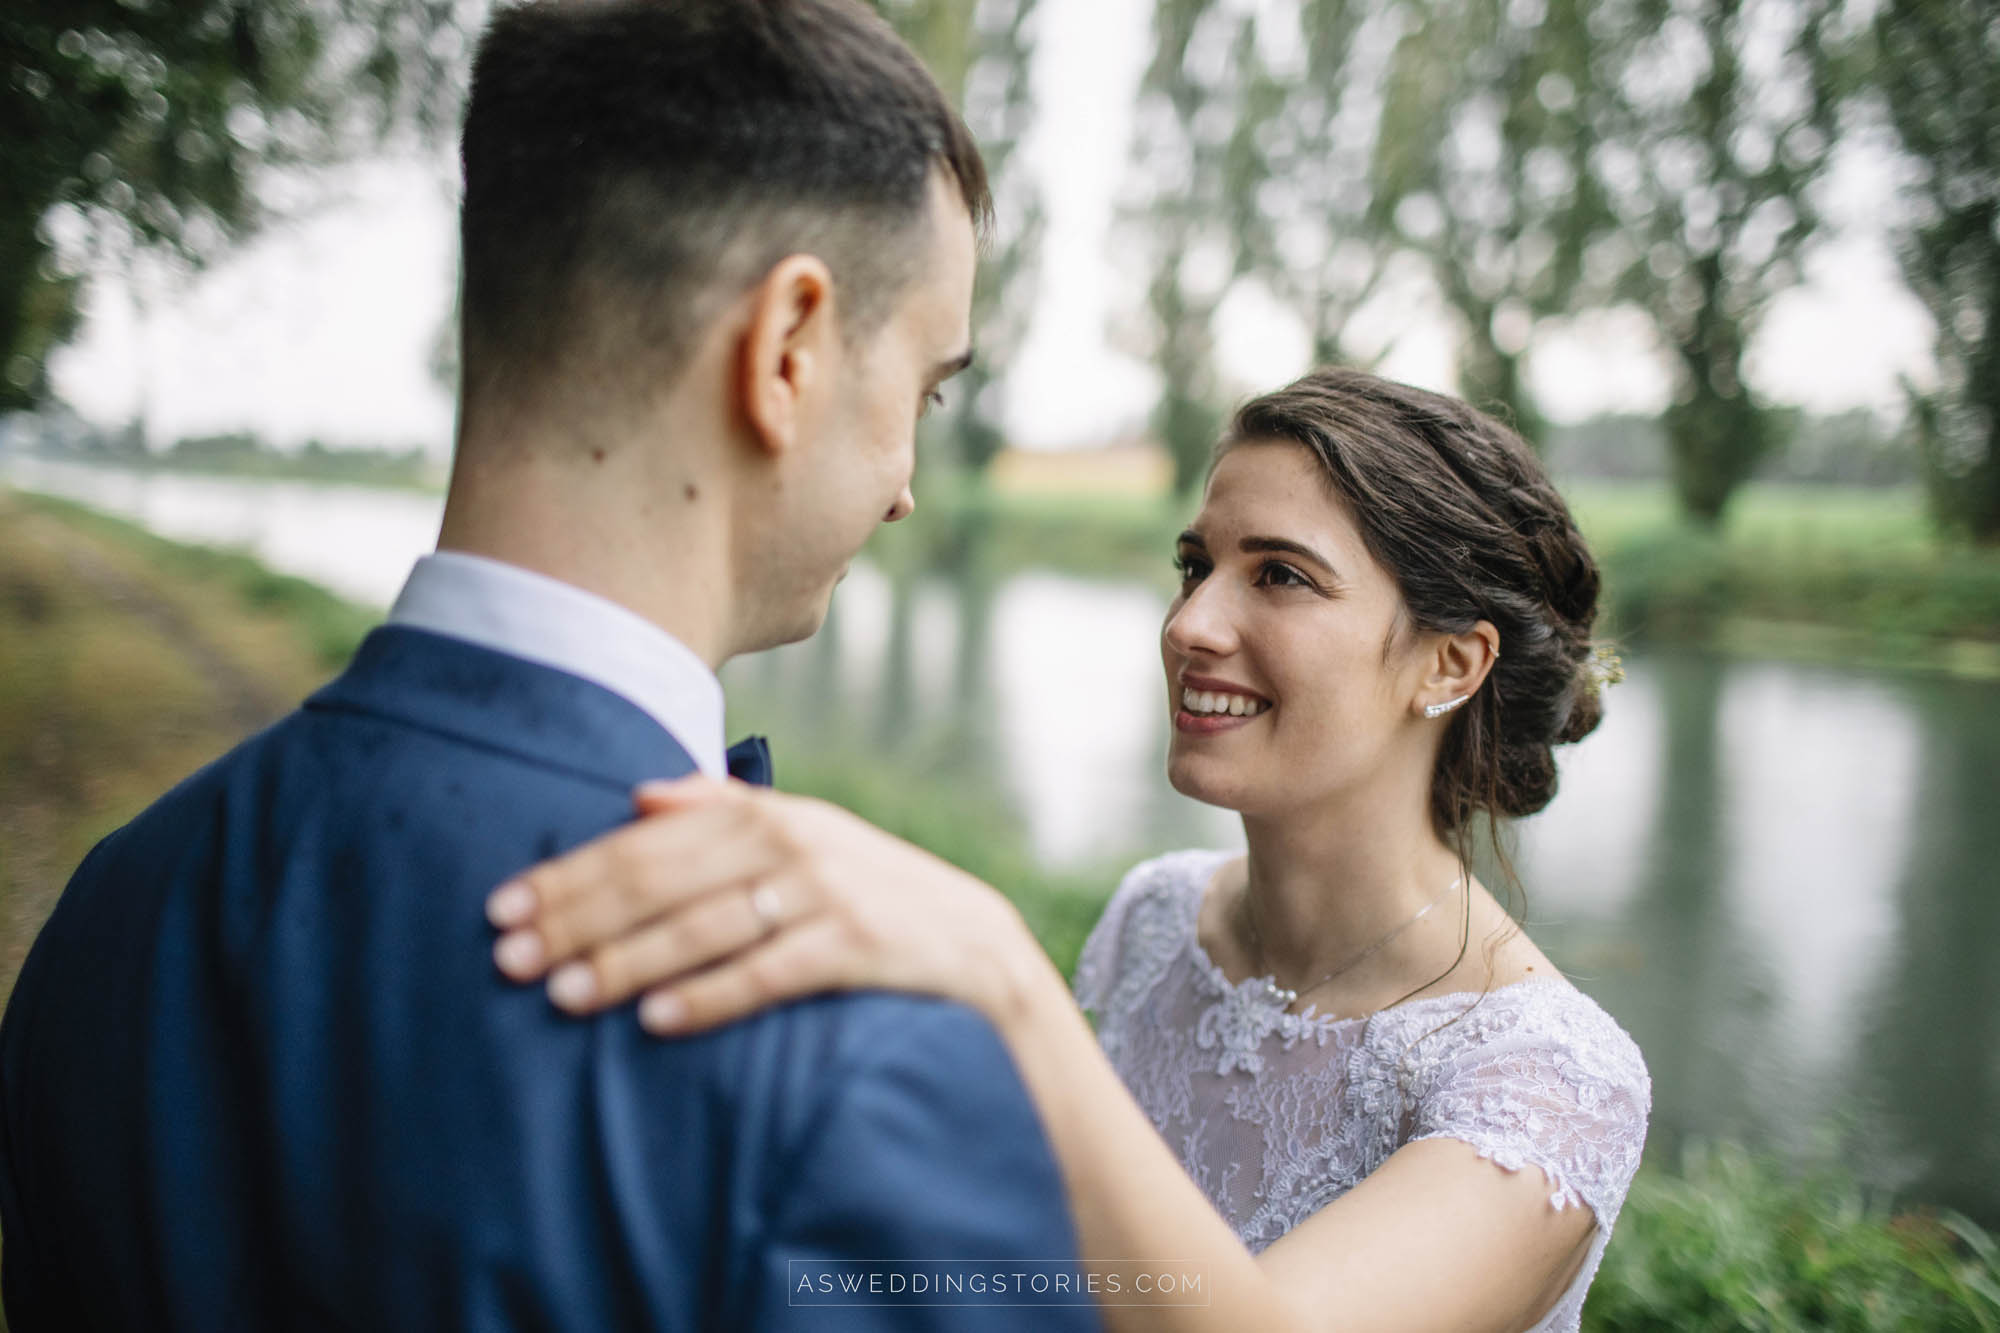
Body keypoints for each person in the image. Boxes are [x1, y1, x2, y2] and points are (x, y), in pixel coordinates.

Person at [0, 3, 1100, 1329]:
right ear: (788, 351)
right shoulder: (860, 1052)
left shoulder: (113, 911)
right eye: (921, 391)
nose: (907, 488)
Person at [485, 368, 1654, 1332]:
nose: (1190, 624)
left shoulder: (1549, 1075)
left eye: (1279, 576)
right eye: (1195, 565)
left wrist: (999, 973)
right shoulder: (1159, 918)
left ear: (1449, 664)